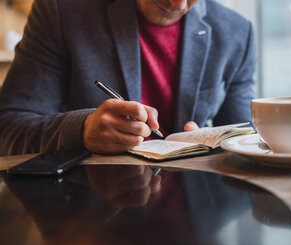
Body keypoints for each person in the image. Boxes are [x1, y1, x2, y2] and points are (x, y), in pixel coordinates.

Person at [0, 0, 256, 155]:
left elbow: (245, 140)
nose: (178, 5)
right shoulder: (61, 12)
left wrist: (209, 145)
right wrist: (81, 130)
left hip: (197, 222)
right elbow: (8, 129)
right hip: (88, 220)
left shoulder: (236, 34)